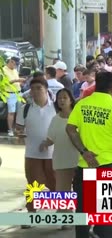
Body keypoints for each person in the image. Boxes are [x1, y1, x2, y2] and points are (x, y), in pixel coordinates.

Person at [66, 71, 112, 238]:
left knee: (82, 210)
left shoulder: (82, 104)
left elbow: (70, 129)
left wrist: (84, 152)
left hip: (84, 165)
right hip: (108, 163)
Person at [15, 78, 56, 228]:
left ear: (46, 89)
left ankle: (64, 212)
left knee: (57, 184)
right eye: (33, 89)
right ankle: (31, 213)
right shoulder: (25, 108)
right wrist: (19, 133)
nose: (35, 91)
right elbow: (18, 128)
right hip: (32, 153)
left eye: (39, 88)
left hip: (54, 154)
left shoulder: (56, 108)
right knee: (33, 185)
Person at [45, 89, 78, 221]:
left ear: (71, 100)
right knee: (62, 191)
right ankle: (65, 218)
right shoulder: (55, 119)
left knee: (81, 190)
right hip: (61, 159)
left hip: (78, 159)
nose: (62, 100)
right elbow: (51, 138)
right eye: (59, 98)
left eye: (65, 97)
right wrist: (44, 144)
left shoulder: (78, 117)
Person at [4, 56, 24, 137]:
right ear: (11, 61)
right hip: (10, 93)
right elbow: (5, 83)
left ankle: (18, 129)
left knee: (20, 112)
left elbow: (17, 80)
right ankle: (10, 130)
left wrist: (20, 83)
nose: (16, 66)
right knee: (11, 112)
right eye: (15, 64)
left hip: (18, 93)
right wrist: (17, 80)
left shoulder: (15, 70)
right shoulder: (3, 70)